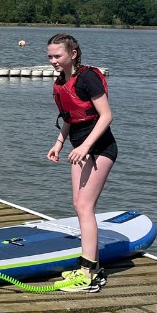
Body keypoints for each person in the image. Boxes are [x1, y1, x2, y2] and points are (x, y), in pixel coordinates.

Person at [46, 33, 116, 293]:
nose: (53, 61)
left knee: (85, 206)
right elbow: (70, 117)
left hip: (99, 149)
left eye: (57, 56)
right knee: (79, 205)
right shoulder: (61, 81)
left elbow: (106, 115)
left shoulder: (87, 78)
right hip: (80, 151)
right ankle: (90, 266)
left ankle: (89, 274)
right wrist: (59, 143)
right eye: (50, 57)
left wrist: (86, 146)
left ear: (73, 54)